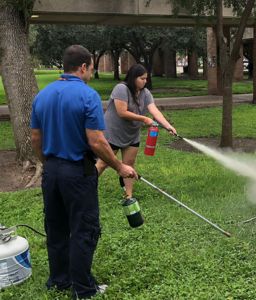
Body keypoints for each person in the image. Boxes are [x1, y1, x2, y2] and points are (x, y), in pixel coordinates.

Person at [31, 45, 137, 299]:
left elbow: (35, 137)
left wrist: (47, 163)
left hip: (52, 171)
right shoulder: (87, 96)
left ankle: (59, 280)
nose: (90, 72)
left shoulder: (42, 96)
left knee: (56, 227)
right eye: (90, 68)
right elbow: (97, 141)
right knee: (84, 229)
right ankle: (83, 288)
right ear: (83, 67)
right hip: (77, 172)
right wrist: (120, 166)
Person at [96, 64, 177, 200]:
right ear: (134, 78)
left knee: (129, 164)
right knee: (103, 163)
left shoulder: (145, 93)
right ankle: (86, 189)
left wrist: (168, 126)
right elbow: (122, 112)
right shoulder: (121, 89)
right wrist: (144, 119)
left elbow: (154, 110)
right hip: (113, 133)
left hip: (132, 134)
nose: (145, 81)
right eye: (142, 78)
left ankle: (128, 195)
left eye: (146, 79)